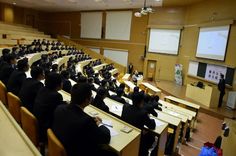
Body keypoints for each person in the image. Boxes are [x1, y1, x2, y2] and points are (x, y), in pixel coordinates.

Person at [52, 83, 116, 156]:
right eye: (91, 96)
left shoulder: (59, 108)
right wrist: (99, 123)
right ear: (87, 100)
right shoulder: (86, 121)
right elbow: (106, 138)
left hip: (66, 146)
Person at [33, 72, 65, 142]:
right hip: (46, 128)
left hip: (38, 122)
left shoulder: (42, 89)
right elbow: (59, 113)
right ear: (58, 84)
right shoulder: (57, 96)